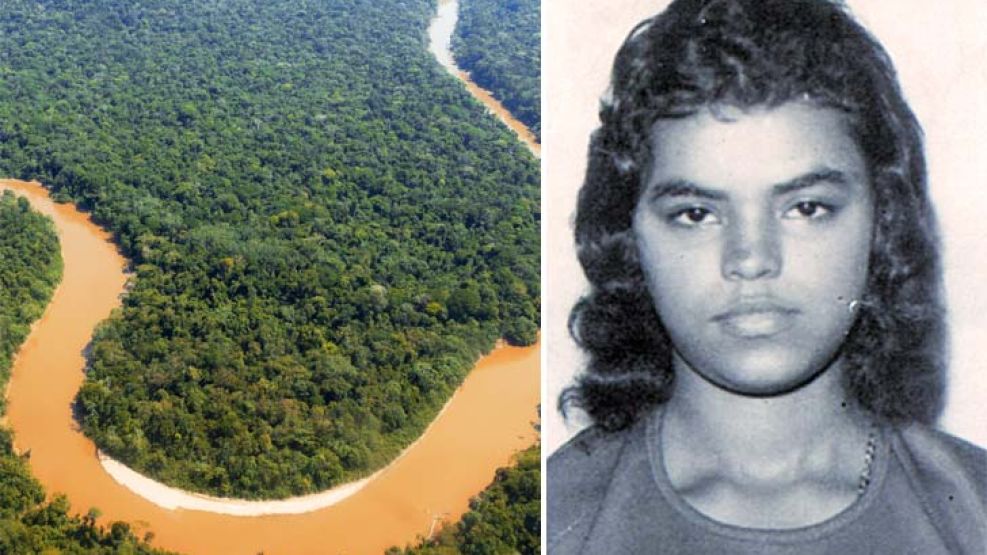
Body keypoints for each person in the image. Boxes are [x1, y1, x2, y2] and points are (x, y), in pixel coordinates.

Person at [546, 0, 987, 553]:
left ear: (883, 220)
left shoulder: (972, 513)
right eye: (697, 214)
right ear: (628, 236)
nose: (751, 259)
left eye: (806, 208)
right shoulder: (560, 515)